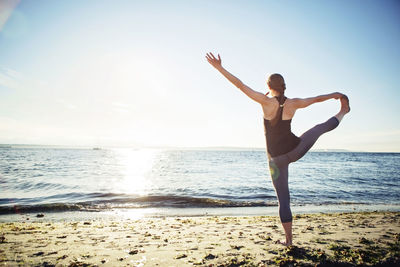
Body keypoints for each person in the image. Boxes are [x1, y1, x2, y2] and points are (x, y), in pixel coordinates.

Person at [206, 52, 350, 246]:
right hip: (296, 149)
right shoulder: (293, 103)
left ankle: (289, 241)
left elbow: (240, 85)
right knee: (319, 128)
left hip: (276, 160)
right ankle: (343, 111)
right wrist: (335, 95)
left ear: (268, 87)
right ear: (284, 86)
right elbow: (315, 99)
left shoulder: (265, 102)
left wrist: (219, 68)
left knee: (284, 199)